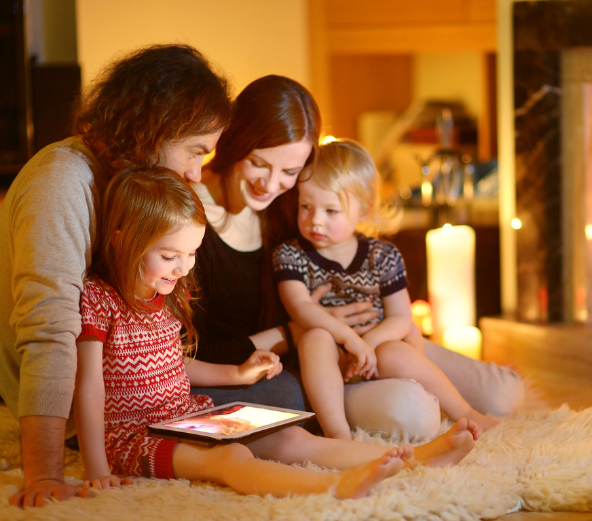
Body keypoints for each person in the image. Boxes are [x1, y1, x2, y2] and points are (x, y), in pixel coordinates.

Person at [74, 166, 479, 499]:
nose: (182, 268)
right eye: (169, 256)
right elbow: (89, 385)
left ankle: (417, 458)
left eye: (191, 254)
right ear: (123, 242)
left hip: (185, 417)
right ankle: (335, 486)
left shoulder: (163, 297)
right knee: (230, 462)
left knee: (292, 440)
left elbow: (172, 363)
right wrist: (97, 467)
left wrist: (236, 375)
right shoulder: (98, 298)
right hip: (133, 437)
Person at [193, 75, 524, 440]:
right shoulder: (187, 221)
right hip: (305, 360)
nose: (270, 186)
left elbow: (348, 221)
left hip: (371, 339)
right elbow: (195, 353)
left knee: (501, 394)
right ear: (234, 141)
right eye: (258, 164)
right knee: (414, 412)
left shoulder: (295, 200)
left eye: (289, 172)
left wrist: (395, 334)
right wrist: (297, 330)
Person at [0, 44, 236, 508]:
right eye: (195, 150)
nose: (195, 172)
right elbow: (49, 332)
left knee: (271, 403)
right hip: (87, 414)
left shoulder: (123, 182)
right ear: (158, 125)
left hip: (129, 391)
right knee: (276, 397)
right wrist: (46, 475)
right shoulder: (63, 181)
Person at [274, 139, 500, 439]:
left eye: (331, 211)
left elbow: (400, 316)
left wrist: (368, 344)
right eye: (306, 206)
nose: (315, 220)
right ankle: (338, 434)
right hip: (331, 360)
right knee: (315, 338)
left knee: (395, 350)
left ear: (364, 210)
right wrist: (350, 341)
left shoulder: (382, 255)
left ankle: (464, 411)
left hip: (375, 354)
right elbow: (300, 307)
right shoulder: (291, 254)